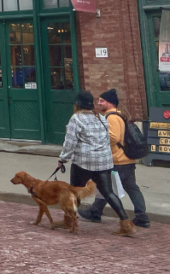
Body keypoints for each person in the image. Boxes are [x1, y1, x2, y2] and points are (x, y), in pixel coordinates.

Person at [58, 90, 135, 237]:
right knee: (108, 192)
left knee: (75, 191)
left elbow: (70, 142)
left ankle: (69, 220)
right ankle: (126, 223)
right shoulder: (100, 117)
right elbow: (106, 139)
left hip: (84, 161)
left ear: (77, 104)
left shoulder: (76, 119)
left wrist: (63, 159)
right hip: (103, 161)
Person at [79, 89, 149, 228]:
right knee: (131, 188)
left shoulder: (111, 117)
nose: (99, 103)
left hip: (116, 160)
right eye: (98, 100)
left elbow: (114, 137)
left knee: (106, 188)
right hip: (125, 160)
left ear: (110, 103)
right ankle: (142, 216)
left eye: (102, 101)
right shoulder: (118, 116)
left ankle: (95, 212)